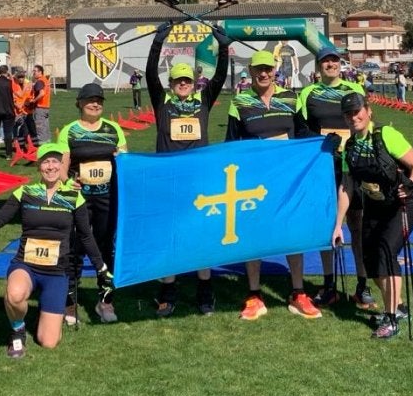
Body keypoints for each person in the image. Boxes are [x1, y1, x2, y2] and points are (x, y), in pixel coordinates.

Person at [0, 142, 113, 358]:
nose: (51, 166)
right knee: (14, 294)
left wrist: (101, 268)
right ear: (39, 166)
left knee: (48, 342)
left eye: (55, 161)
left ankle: (46, 311)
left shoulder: (74, 197)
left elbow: (86, 236)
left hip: (56, 272)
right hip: (26, 265)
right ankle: (18, 329)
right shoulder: (25, 192)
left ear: (61, 165)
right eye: (46, 162)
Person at [226, 49, 322, 320]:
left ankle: (298, 292)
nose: (264, 73)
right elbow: (231, 143)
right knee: (254, 234)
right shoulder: (239, 102)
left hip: (287, 180)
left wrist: (324, 142)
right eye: (259, 69)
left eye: (268, 69)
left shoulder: (290, 97)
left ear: (275, 71)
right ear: (251, 72)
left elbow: (303, 133)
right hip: (253, 182)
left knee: (293, 234)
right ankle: (254, 295)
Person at [146, 22, 230, 317]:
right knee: (170, 235)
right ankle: (168, 290)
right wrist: (158, 42)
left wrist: (223, 47)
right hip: (169, 180)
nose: (183, 84)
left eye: (187, 81)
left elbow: (220, 75)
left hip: (198, 180)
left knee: (200, 235)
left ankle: (205, 290)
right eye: (178, 81)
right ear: (171, 84)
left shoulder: (203, 102)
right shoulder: (162, 103)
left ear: (194, 83)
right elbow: (150, 74)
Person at [339, 92, 413, 340]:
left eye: (357, 112)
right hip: (375, 205)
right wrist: (337, 225)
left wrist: (410, 184)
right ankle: (398, 307)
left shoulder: (386, 135)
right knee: (370, 260)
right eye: (348, 114)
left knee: (387, 252)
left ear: (368, 111)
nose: (353, 117)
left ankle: (391, 319)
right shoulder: (350, 146)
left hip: (403, 203)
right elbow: (346, 187)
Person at [298, 45, 371, 310]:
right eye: (325, 61)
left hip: (353, 167)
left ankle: (362, 285)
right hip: (323, 169)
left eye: (334, 60)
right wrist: (322, 142)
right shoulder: (308, 93)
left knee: (358, 226)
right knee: (329, 226)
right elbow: (299, 130)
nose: (331, 64)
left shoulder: (355, 89)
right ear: (319, 66)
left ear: (341, 64)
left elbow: (366, 125)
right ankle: (329, 285)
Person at [57, 82, 127, 324]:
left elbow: (125, 162)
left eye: (99, 100)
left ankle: (105, 302)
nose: (95, 104)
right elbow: (62, 167)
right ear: (79, 103)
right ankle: (69, 303)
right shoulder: (70, 131)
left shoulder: (113, 129)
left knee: (106, 249)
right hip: (80, 200)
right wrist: (68, 183)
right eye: (89, 100)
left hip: (108, 198)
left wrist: (121, 158)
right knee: (74, 248)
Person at [30, 64, 52, 144]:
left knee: (39, 127)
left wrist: (34, 100)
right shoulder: (45, 80)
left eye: (35, 71)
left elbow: (42, 93)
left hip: (40, 107)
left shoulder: (40, 81)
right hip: (46, 107)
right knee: (46, 126)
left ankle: (42, 144)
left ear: (40, 72)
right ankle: (48, 143)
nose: (33, 73)